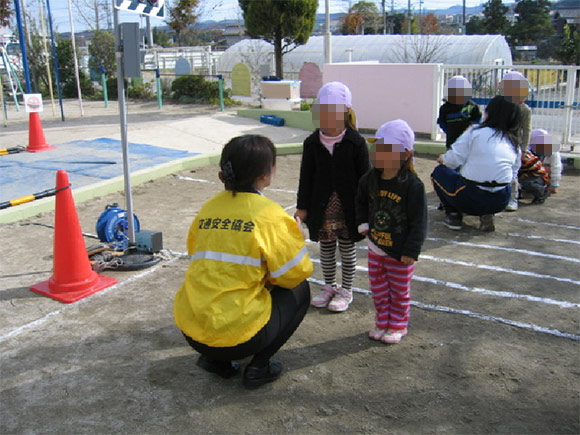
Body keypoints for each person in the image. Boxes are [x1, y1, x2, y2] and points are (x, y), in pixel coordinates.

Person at [174, 135, 313, 389]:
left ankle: (215, 361)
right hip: (240, 337)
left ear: (222, 175)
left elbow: (196, 251)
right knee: (301, 290)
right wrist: (296, 238)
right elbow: (293, 274)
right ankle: (259, 367)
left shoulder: (208, 209)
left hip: (193, 330)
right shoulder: (270, 215)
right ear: (265, 174)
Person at [295, 81, 370, 312]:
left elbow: (366, 180)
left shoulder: (356, 143)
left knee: (347, 250)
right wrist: (302, 207)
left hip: (349, 208)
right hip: (322, 206)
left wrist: (366, 212)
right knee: (326, 249)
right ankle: (329, 286)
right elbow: (305, 178)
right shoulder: (311, 143)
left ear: (345, 112)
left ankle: (346, 290)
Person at [356, 119, 428, 344]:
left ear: (405, 154)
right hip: (376, 247)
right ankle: (381, 321)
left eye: (387, 149)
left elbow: (420, 222)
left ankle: (397, 325)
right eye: (377, 148)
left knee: (398, 291)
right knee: (378, 289)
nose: (378, 154)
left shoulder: (413, 186)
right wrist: (363, 224)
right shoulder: (370, 179)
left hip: (400, 252)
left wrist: (411, 250)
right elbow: (359, 202)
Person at [431, 96, 521, 232]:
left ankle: (453, 214)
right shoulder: (514, 142)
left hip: (471, 198)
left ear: (489, 112)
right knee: (476, 178)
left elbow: (453, 159)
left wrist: (442, 159)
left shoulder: (476, 131)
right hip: (501, 200)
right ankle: (487, 213)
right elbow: (513, 174)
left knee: (439, 172)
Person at [501, 71, 532, 212]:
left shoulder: (524, 109)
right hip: (499, 144)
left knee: (513, 173)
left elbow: (527, 130)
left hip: (514, 145)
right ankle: (499, 196)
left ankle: (512, 198)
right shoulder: (501, 106)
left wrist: (524, 149)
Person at [437, 75, 482, 150]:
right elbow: (442, 123)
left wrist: (470, 132)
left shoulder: (472, 106)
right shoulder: (445, 108)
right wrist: (450, 131)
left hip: (468, 142)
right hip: (452, 142)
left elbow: (477, 120)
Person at [519, 128, 562, 204]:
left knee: (530, 184)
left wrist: (554, 185)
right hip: (527, 175)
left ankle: (542, 193)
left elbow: (556, 168)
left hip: (541, 176)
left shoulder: (553, 152)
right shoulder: (527, 151)